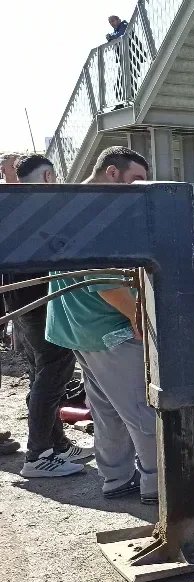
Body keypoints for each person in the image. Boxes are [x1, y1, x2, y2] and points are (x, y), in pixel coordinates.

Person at [45, 146, 156, 501]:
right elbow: (107, 283)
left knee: (107, 409)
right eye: (136, 179)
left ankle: (116, 478)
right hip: (110, 330)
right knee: (142, 408)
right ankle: (160, 484)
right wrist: (139, 316)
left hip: (79, 327)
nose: (141, 187)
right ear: (112, 172)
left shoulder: (71, 204)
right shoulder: (96, 214)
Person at [1, 154, 91, 478]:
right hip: (40, 301)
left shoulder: (9, 204)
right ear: (50, 176)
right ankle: (38, 456)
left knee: (41, 372)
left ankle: (56, 444)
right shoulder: (43, 207)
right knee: (55, 370)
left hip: (18, 300)